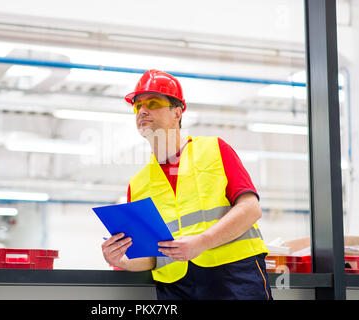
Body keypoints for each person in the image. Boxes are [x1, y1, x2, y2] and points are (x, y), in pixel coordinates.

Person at [101, 69, 272, 300]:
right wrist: (120, 259)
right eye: (137, 105)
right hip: (176, 289)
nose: (142, 110)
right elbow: (152, 256)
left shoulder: (214, 150)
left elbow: (250, 209)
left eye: (153, 102)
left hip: (234, 278)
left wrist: (202, 242)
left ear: (177, 112)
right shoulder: (138, 184)